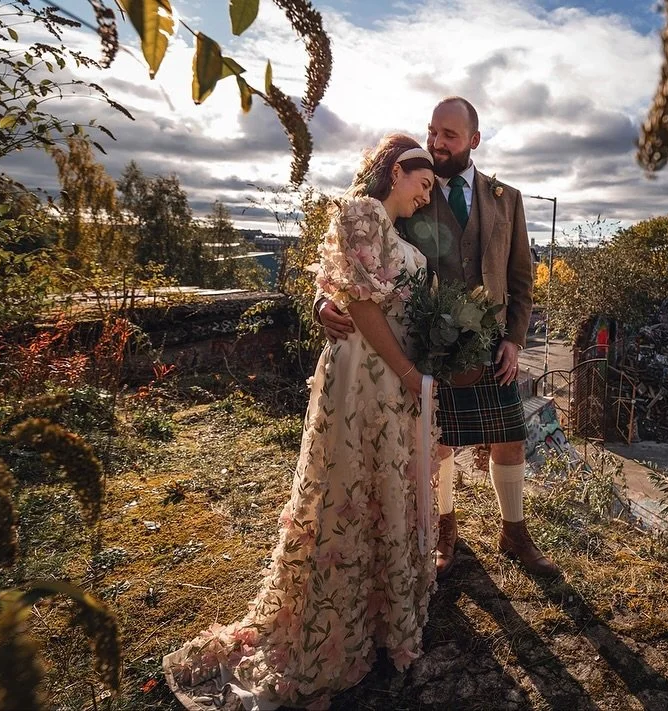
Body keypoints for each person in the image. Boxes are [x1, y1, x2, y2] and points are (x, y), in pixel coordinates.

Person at [162, 134, 439, 711]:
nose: (427, 193)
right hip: (367, 378)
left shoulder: (398, 236)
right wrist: (410, 373)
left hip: (392, 382)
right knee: (349, 486)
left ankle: (379, 613)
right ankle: (337, 623)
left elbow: (346, 286)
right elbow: (359, 303)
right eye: (423, 181)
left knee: (380, 488)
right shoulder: (362, 212)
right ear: (396, 171)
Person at [318, 97, 560, 579]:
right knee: (438, 444)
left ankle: (514, 531)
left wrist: (514, 339)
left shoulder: (505, 198)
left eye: (449, 135)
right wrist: (322, 302)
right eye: (433, 132)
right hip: (426, 342)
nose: (437, 142)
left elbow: (521, 278)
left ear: (474, 138)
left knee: (508, 437)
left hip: (491, 342)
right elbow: (353, 252)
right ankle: (445, 528)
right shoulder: (414, 188)